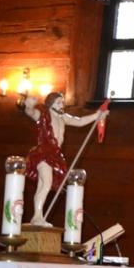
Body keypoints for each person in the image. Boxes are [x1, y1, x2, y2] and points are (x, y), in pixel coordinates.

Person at [24, 92, 106, 227]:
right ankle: (37, 217)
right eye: (58, 102)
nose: (61, 105)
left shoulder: (63, 117)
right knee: (46, 183)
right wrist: (29, 106)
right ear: (50, 104)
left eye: (62, 102)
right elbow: (31, 113)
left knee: (43, 185)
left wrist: (97, 115)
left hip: (55, 155)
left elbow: (79, 121)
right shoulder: (44, 115)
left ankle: (38, 216)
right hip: (43, 154)